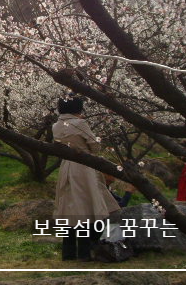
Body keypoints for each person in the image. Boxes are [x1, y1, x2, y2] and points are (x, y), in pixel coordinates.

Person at [52, 95, 120, 261]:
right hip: (83, 167)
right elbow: (94, 145)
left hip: (66, 167)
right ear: (78, 108)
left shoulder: (56, 126)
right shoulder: (80, 123)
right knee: (86, 209)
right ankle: (84, 252)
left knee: (69, 209)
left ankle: (67, 253)